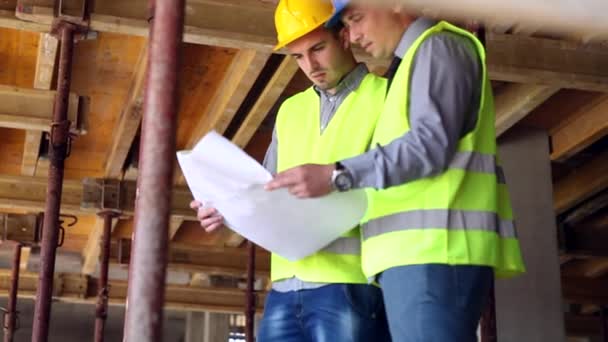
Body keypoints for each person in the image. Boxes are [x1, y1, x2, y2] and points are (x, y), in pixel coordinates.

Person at [265, 1, 526, 341]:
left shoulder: (436, 48)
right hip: (409, 257)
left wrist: (334, 175)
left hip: (436, 251)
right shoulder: (406, 70)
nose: (355, 35)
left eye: (356, 19)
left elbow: (428, 146)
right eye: (298, 56)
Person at [190, 0, 391, 341]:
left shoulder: (384, 97)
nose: (310, 65)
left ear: (344, 36)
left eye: (317, 48)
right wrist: (223, 209)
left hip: (350, 285)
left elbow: (395, 179)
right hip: (283, 288)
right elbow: (266, 192)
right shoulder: (290, 111)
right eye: (298, 56)